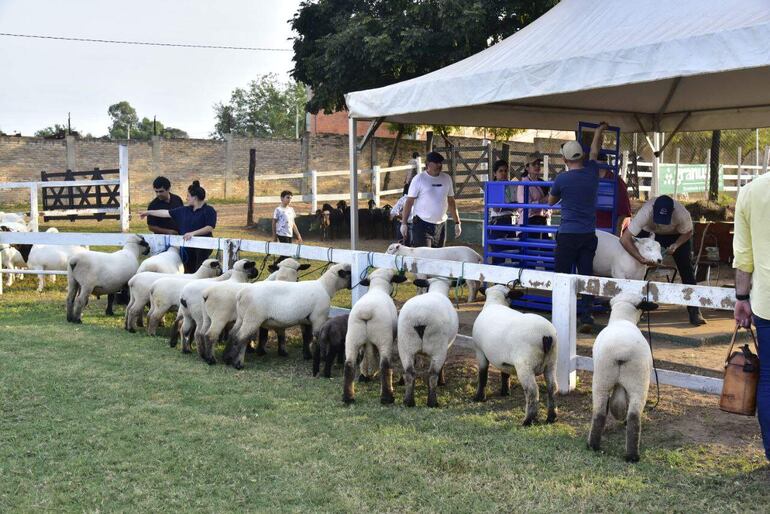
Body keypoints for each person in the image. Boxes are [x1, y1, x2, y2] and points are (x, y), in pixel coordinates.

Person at [548, 122, 608, 332]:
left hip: (567, 234)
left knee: (562, 275)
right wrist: (599, 132)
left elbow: (550, 202)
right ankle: (587, 315)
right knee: (586, 274)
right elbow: (595, 150)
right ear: (581, 156)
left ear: (564, 159)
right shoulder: (592, 171)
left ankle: (562, 315)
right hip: (587, 234)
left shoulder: (562, 179)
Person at [621, 195, 705, 325]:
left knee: (686, 269)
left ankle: (694, 310)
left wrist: (677, 244)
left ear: (673, 212)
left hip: (676, 235)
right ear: (653, 209)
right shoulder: (645, 211)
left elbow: (688, 232)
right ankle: (635, 307)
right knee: (635, 267)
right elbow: (624, 239)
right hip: (648, 233)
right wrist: (640, 258)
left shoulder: (682, 214)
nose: (660, 223)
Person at [733, 171, 770, 462]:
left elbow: (744, 256)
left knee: (769, 378)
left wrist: (742, 298)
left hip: (766, 302)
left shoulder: (751, 192)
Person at [139, 180, 217, 273]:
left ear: (194, 198)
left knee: (199, 269)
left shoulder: (209, 210)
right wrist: (148, 212)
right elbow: (165, 213)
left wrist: (193, 233)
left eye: (188, 196)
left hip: (203, 246)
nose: (186, 198)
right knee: (188, 269)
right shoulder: (184, 210)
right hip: (187, 245)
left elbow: (209, 227)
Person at [401, 151, 461, 248]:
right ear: (428, 164)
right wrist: (404, 223)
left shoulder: (447, 178)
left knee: (439, 258)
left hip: (441, 225)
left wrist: (457, 222)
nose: (439, 165)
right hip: (422, 224)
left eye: (440, 163)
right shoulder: (419, 179)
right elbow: (409, 202)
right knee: (424, 257)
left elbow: (451, 201)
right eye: (436, 162)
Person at [516, 152, 551, 239]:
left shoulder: (541, 183)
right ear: (527, 167)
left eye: (538, 164)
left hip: (540, 222)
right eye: (534, 164)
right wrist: (545, 200)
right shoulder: (523, 184)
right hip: (527, 223)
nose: (537, 166)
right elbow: (527, 207)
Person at [595, 154, 632, 234]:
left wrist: (616, 237)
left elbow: (624, 214)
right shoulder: (589, 180)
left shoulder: (616, 182)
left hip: (608, 232)